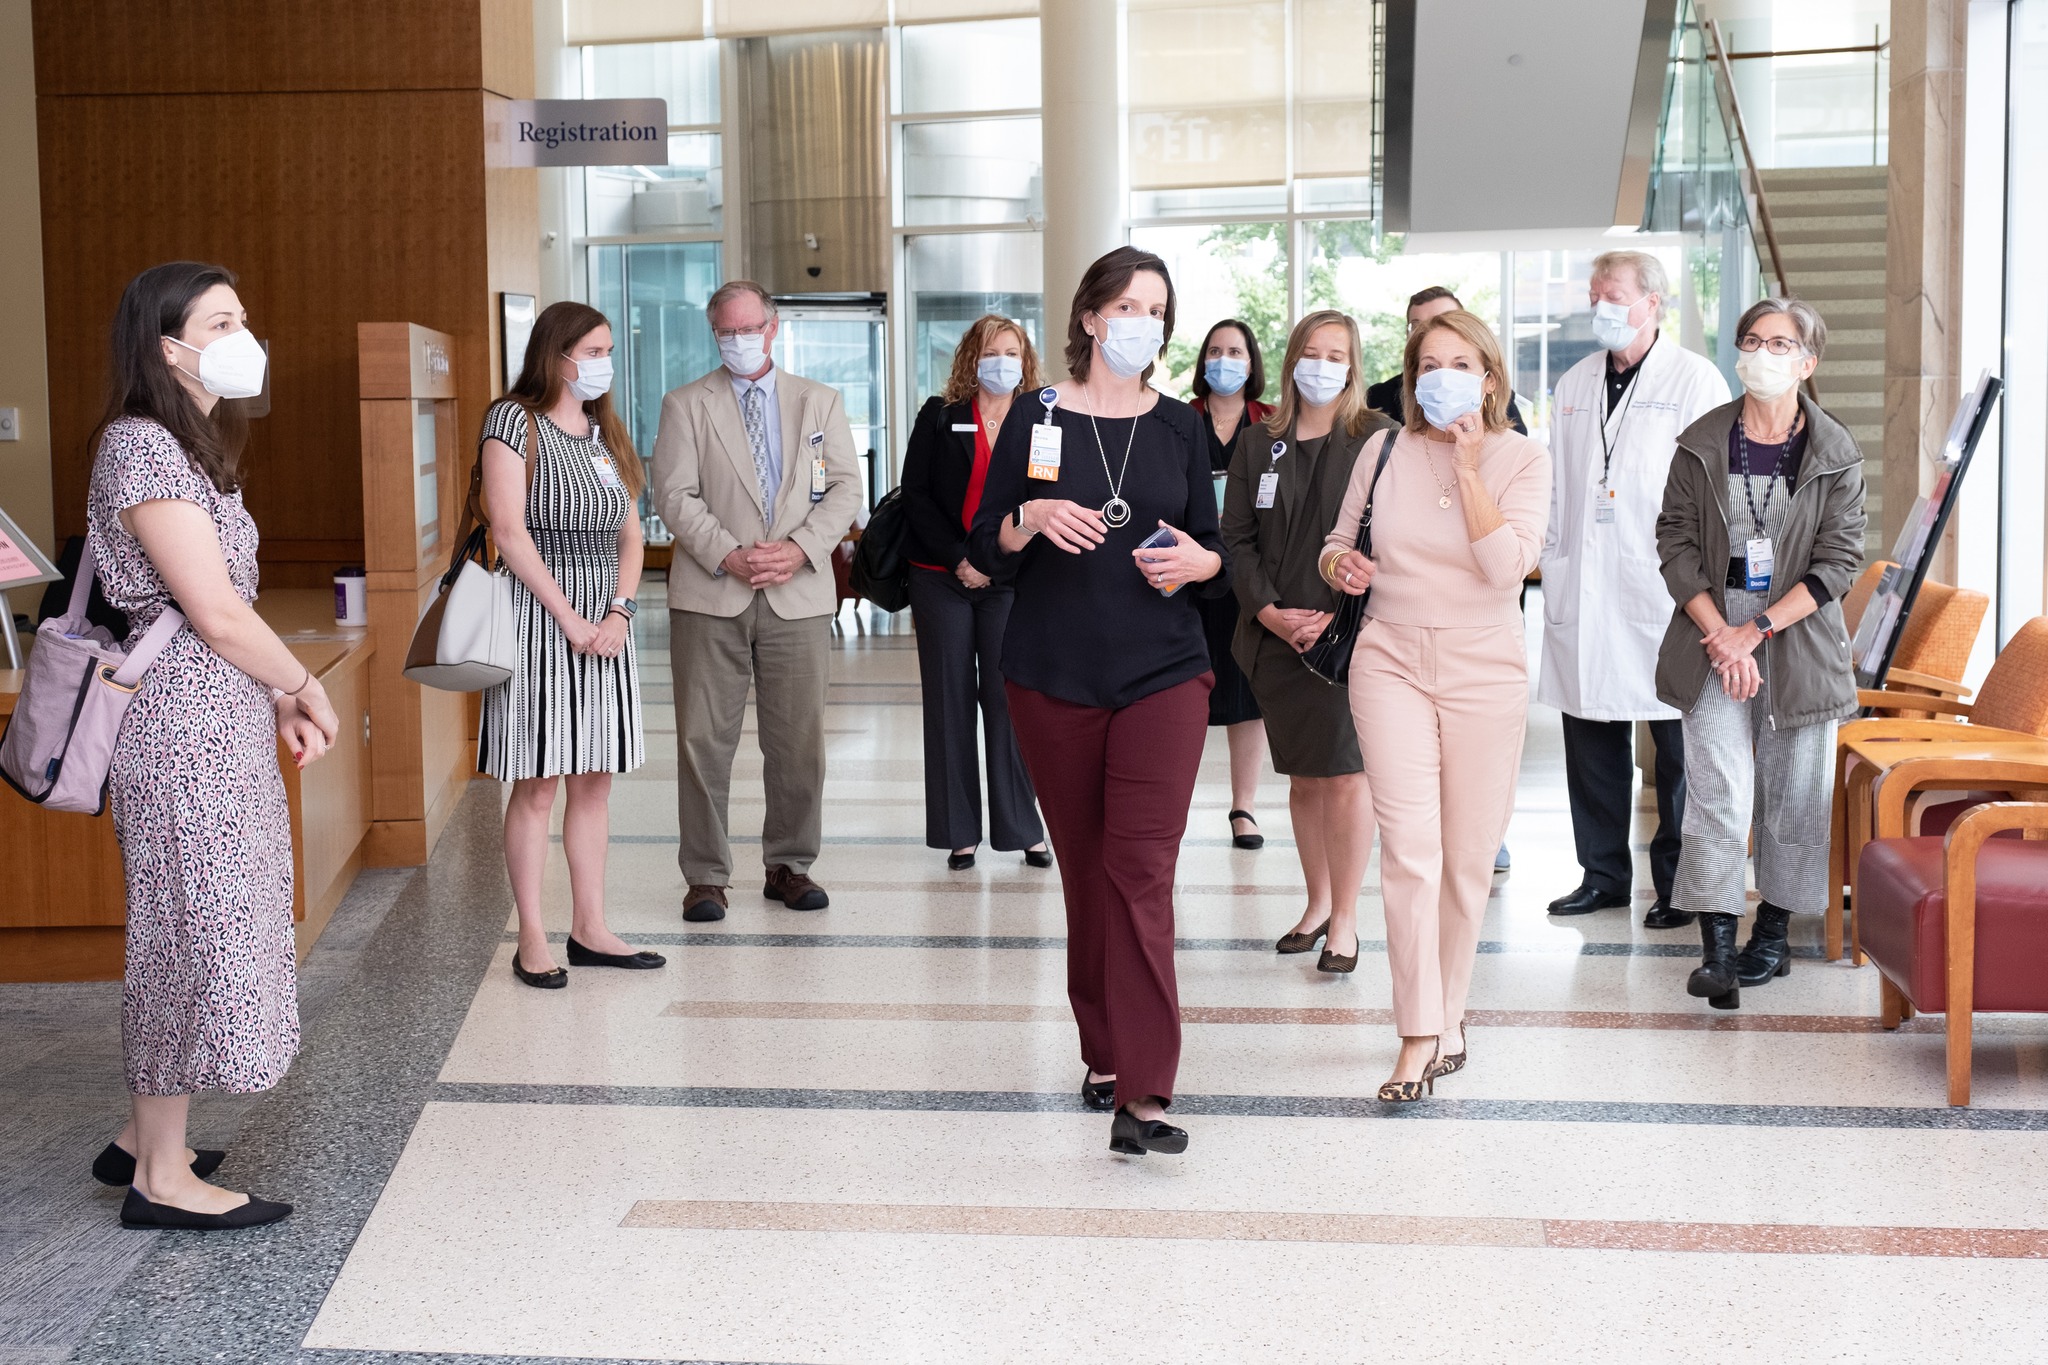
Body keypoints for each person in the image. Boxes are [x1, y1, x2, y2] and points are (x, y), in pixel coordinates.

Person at [82, 262, 339, 1228]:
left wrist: (269, 697)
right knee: (188, 934)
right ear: (167, 345)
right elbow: (216, 611)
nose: (244, 334)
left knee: (186, 926)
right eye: (222, 319)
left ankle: (147, 1138)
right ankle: (160, 1177)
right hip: (180, 730)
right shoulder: (142, 446)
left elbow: (220, 622)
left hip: (213, 715)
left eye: (245, 313)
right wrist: (301, 683)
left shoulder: (183, 446)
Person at [967, 246, 1228, 1157]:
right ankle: (1105, 1049)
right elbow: (985, 540)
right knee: (1086, 872)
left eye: (1155, 309)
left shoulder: (1181, 428)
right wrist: (1031, 517)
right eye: (1124, 305)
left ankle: (1146, 1092)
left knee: (1141, 870)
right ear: (1087, 318)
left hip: (1164, 671)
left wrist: (1204, 562)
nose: (1140, 323)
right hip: (1051, 673)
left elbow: (1212, 542)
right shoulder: (1036, 416)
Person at [1326, 308, 1550, 1102]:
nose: (1440, 375)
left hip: (1484, 663)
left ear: (1488, 379)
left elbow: (1506, 566)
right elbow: (1335, 540)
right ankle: (1417, 1032)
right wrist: (1340, 565)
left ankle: (1452, 1013)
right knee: (1409, 850)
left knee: (1464, 859)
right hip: (1387, 656)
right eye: (1428, 362)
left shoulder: (1524, 459)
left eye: (1460, 363)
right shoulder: (1381, 447)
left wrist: (1467, 466)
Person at [1655, 297, 1865, 1009]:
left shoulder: (1836, 454)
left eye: (1781, 343)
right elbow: (1675, 544)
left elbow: (1838, 563)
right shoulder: (1700, 442)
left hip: (1797, 639)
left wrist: (1758, 631)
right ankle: (1717, 948)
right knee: (1717, 791)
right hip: (1712, 634)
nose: (1763, 353)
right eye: (1752, 339)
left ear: (1807, 362)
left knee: (1796, 797)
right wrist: (1723, 633)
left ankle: (1769, 937)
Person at [650, 280, 862, 922]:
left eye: (750, 329)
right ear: (714, 334)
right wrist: (728, 553)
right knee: (701, 740)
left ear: (773, 327)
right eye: (727, 332)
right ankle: (706, 876)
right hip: (712, 591)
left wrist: (799, 549)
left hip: (797, 594)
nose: (740, 341)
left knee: (799, 739)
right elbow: (673, 495)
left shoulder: (819, 402)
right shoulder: (685, 404)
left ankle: (790, 865)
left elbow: (846, 490)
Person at [1539, 251, 1731, 928]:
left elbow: (1713, 489)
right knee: (1590, 730)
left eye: (1614, 294)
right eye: (1595, 294)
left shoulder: (1694, 379)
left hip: (1662, 586)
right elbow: (1557, 482)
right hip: (1585, 581)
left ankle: (1678, 882)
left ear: (1654, 302)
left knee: (1677, 740)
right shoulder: (1574, 382)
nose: (1601, 306)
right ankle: (1602, 874)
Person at [480, 301, 662, 988]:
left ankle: (590, 926)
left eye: (608, 349)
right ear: (555, 353)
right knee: (538, 784)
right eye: (592, 349)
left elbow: (632, 534)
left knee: (594, 782)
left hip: (606, 626)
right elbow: (508, 530)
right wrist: (568, 615)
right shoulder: (512, 421)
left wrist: (618, 611)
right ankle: (532, 935)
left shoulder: (603, 432)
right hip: (539, 617)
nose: (603, 363)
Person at [1220, 310, 1392, 971]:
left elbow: (1388, 539)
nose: (1322, 364)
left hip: (1349, 640)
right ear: (1292, 360)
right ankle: (1316, 903)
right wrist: (1268, 612)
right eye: (1311, 352)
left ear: (1353, 365)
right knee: (1302, 780)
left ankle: (1346, 919)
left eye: (1336, 354)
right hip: (1274, 639)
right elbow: (1235, 537)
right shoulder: (1261, 441)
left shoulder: (1377, 438)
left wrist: (1334, 615)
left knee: (1346, 776)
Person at [898, 314, 1050, 871]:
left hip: (1011, 578)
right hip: (941, 576)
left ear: (1024, 359)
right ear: (970, 357)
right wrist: (960, 560)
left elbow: (1048, 500)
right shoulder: (939, 418)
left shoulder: (1041, 422)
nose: (1002, 362)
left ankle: (1022, 827)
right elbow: (915, 495)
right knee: (949, 698)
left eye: (1011, 352)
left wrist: (994, 562)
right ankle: (959, 831)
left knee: (1010, 701)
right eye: (991, 351)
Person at [1189, 318, 1274, 852]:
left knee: (1247, 697)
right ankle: (1171, 802)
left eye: (1235, 351)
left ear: (1252, 362)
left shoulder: (1271, 423)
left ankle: (1244, 807)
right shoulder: (1178, 418)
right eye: (1214, 350)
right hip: (1190, 575)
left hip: (1247, 572)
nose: (1224, 360)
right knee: (1186, 692)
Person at [1365, 286, 1528, 435]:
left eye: (1446, 320)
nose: (1432, 330)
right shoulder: (1380, 398)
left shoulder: (1490, 395)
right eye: (1417, 325)